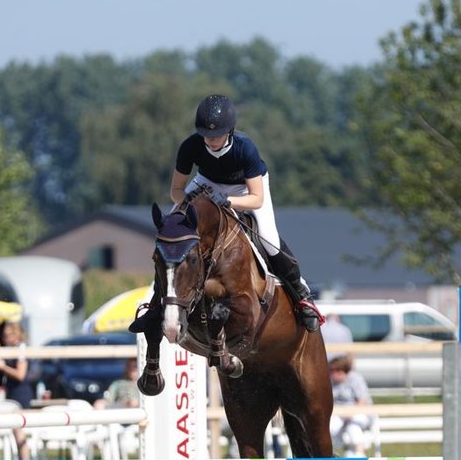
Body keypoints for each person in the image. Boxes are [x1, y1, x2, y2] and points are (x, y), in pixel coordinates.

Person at [130, 94, 324, 333]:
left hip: (246, 188)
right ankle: (155, 306)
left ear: (230, 131)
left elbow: (256, 198)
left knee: (269, 239)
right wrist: (192, 201)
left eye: (216, 135)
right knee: (172, 234)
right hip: (206, 184)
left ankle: (302, 295)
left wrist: (228, 201)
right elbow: (175, 191)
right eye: (206, 135)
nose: (210, 140)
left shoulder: (245, 148)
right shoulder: (191, 146)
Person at [0, 320, 37, 459]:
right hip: (14, 392)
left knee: (19, 431)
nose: (5, 339)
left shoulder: (21, 349)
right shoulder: (14, 350)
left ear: (16, 335)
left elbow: (20, 374)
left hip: (21, 394)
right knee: (16, 430)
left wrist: (2, 367)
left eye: (7, 336)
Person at [328, 354, 374, 458]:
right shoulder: (330, 382)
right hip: (339, 414)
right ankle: (334, 454)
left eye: (332, 371)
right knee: (331, 428)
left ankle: (359, 455)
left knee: (354, 428)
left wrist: (350, 413)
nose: (330, 373)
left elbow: (362, 401)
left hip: (358, 412)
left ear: (341, 371)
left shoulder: (355, 378)